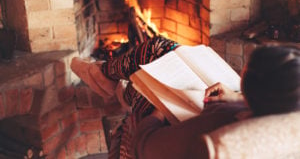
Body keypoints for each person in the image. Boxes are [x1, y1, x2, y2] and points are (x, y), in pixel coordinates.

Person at [71, 36, 300, 159]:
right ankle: (108, 79)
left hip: (154, 133)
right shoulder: (284, 119)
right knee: (162, 48)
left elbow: (145, 146)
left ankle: (106, 78)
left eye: (245, 73)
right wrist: (238, 97)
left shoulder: (219, 130)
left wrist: (158, 112)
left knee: (147, 72)